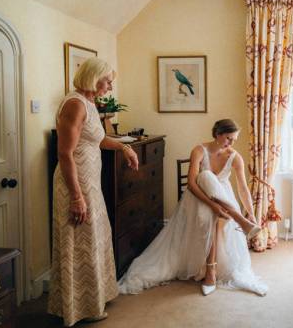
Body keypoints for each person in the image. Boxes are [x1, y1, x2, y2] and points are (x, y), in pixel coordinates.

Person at [118, 119, 268, 297]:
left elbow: (243, 188)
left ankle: (212, 270)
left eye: (234, 139)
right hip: (199, 198)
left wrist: (250, 212)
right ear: (218, 134)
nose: (231, 143)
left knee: (215, 212)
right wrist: (213, 205)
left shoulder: (234, 157)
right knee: (205, 180)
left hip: (224, 199)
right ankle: (238, 219)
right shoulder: (199, 150)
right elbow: (191, 184)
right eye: (229, 138)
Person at [48, 58, 139, 326]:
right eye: (107, 80)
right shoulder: (75, 104)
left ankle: (92, 299)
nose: (110, 86)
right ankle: (77, 308)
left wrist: (124, 147)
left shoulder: (88, 103)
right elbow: (64, 153)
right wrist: (76, 197)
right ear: (93, 78)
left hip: (90, 182)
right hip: (74, 183)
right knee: (78, 241)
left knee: (92, 240)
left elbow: (98, 139)